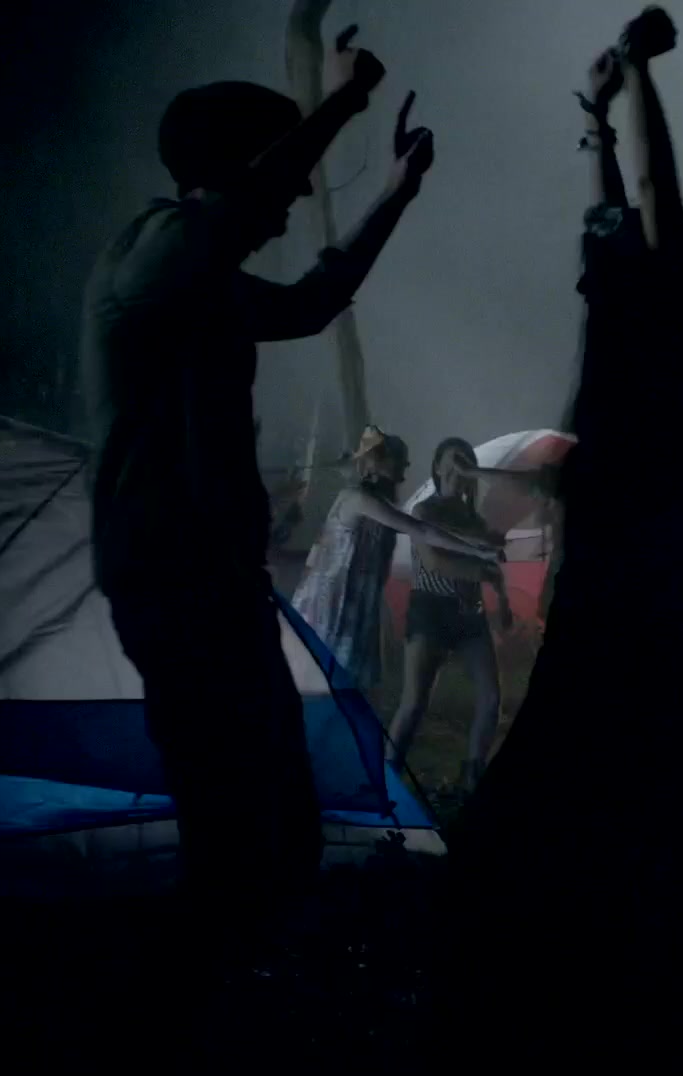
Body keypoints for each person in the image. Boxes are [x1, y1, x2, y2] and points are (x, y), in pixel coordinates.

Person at [443, 10, 683, 1068]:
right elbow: (636, 201)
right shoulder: (662, 364)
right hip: (631, 631)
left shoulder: (642, 359)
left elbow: (646, 197)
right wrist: (610, 116)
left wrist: (629, 91)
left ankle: (582, 964)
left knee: (584, 787)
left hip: (610, 628)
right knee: (626, 796)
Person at [79, 28, 429, 935]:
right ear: (238, 166)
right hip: (167, 571)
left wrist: (395, 195)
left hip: (216, 572)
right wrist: (343, 101)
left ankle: (242, 944)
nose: (300, 192)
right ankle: (212, 960)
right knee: (226, 789)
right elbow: (243, 208)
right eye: (283, 167)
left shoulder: (207, 286)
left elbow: (312, 303)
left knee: (269, 791)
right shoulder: (151, 252)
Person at [290, 427, 499, 691]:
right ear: (380, 463)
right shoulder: (359, 499)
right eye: (398, 459)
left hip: (355, 605)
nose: (405, 466)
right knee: (324, 685)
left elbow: (428, 530)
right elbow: (422, 530)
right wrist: (478, 551)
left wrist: (477, 544)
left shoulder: (376, 502)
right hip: (332, 604)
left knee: (343, 686)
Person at [387, 438, 515, 790]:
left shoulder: (473, 518)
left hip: (469, 614)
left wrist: (503, 601)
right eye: (453, 459)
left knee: (491, 697)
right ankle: (385, 780)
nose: (459, 466)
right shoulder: (424, 511)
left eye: (466, 460)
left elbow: (494, 562)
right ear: (438, 466)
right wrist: (482, 568)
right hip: (430, 610)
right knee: (414, 702)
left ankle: (471, 776)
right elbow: (434, 562)